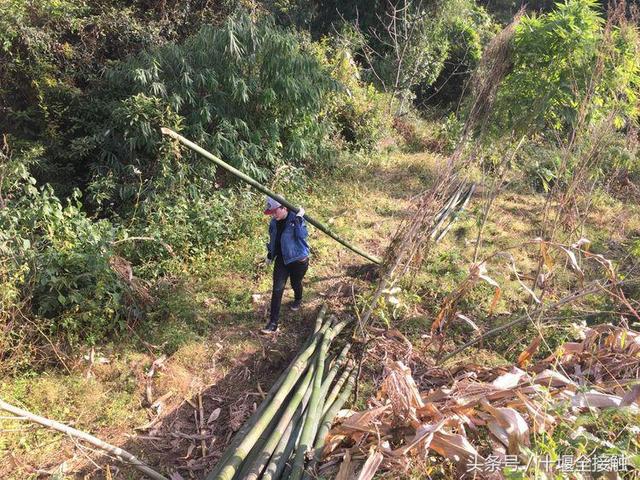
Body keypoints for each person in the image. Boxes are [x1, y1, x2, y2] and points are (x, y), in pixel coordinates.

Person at [261, 196, 310, 334]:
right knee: (277, 289)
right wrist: (270, 254)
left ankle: (298, 299)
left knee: (296, 283)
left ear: (284, 208)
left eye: (275, 211)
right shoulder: (274, 223)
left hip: (298, 260)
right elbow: (274, 239)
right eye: (272, 212)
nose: (273, 215)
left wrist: (299, 219)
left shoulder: (295, 218)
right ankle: (273, 323)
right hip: (282, 260)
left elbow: (302, 236)